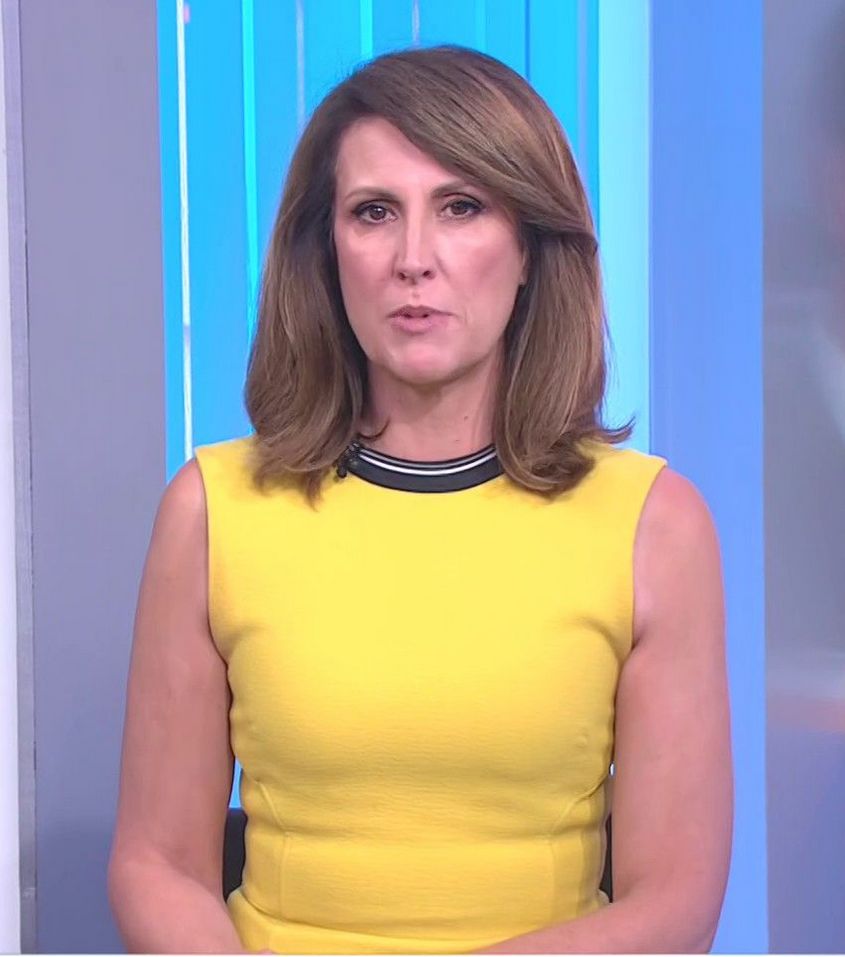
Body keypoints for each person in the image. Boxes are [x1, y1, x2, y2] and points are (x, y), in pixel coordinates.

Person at [107, 44, 732, 955]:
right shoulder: (211, 511)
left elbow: (673, 902)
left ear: (529, 249)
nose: (413, 259)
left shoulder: (654, 526)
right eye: (373, 212)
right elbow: (157, 863)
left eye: (461, 207)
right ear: (326, 252)